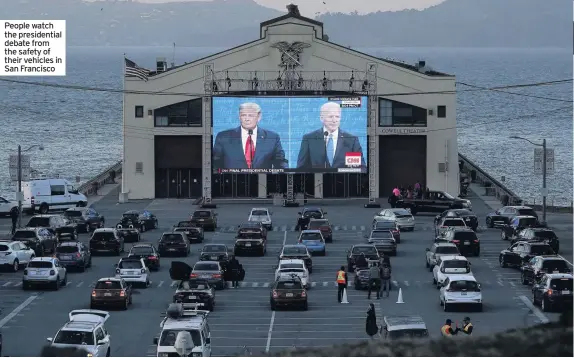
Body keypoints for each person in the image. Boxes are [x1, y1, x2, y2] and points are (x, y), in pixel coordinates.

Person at [213, 102, 288, 170]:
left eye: (251, 115)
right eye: (243, 115)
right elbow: (215, 164)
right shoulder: (223, 137)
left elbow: (280, 162)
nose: (247, 119)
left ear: (259, 117)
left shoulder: (272, 138)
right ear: (239, 116)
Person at [296, 102, 365, 169]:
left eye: (337, 117)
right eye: (330, 116)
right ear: (321, 118)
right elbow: (301, 169)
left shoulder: (351, 140)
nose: (334, 120)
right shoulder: (309, 139)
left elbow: (359, 168)